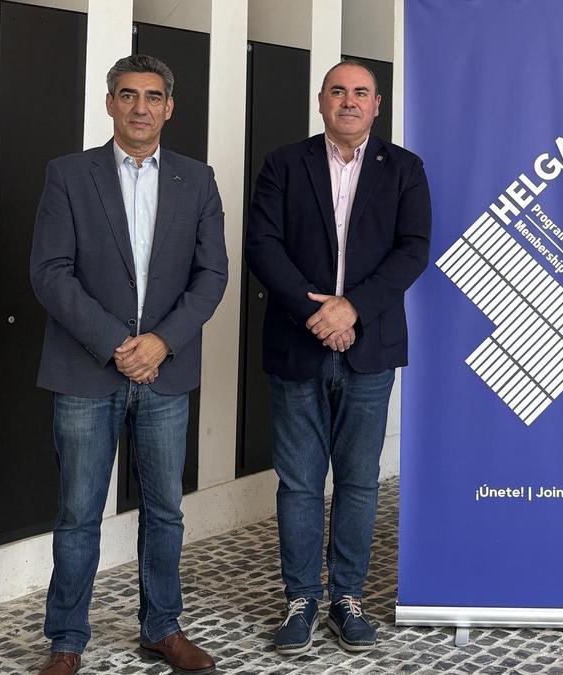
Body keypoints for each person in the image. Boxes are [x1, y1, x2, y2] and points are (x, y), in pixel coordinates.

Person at [29, 54, 227, 675]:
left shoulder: (197, 179)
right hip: (88, 369)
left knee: (165, 509)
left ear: (169, 107)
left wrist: (162, 343)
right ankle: (66, 641)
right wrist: (119, 343)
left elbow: (212, 274)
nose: (139, 107)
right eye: (127, 95)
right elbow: (50, 273)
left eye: (151, 97)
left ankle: (162, 628)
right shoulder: (67, 174)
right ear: (109, 103)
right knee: (79, 512)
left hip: (166, 371)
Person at [244, 59, 431, 656]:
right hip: (298, 344)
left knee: (357, 481)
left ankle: (348, 596)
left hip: (369, 347)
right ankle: (301, 598)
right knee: (299, 482)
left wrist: (351, 309)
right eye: (338, 91)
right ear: (320, 101)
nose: (349, 101)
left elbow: (413, 250)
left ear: (378, 106)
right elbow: (262, 245)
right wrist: (316, 314)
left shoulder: (404, 168)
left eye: (361, 93)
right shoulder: (282, 164)